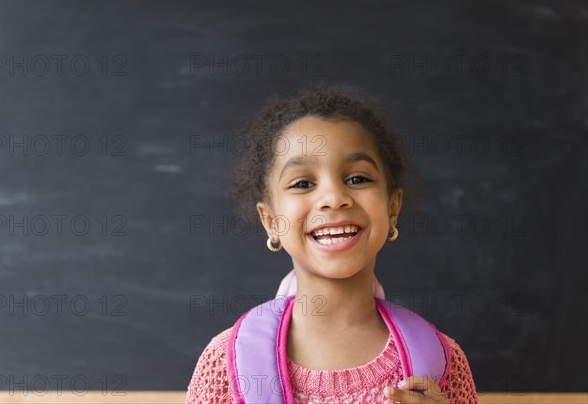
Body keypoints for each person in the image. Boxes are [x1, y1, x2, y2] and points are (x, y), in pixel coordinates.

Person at [185, 84, 479, 404]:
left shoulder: (442, 362)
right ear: (271, 221)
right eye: (302, 183)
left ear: (392, 208)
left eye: (357, 178)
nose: (334, 198)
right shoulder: (226, 365)